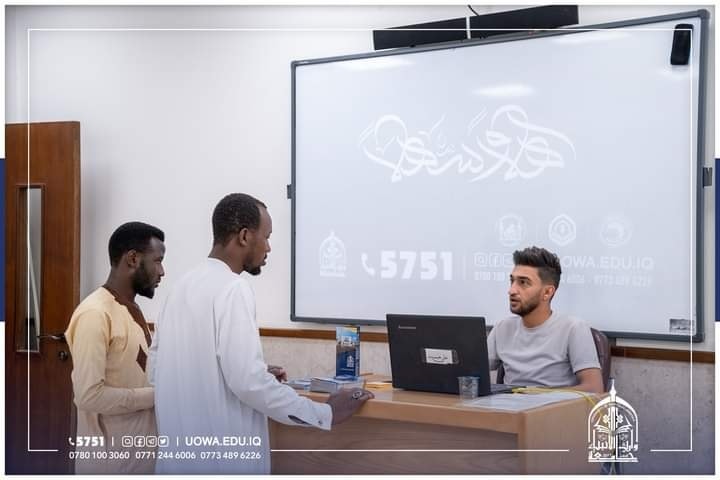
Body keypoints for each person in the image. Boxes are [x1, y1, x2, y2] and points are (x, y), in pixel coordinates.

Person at [148, 193, 373, 474]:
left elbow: (157, 370)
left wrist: (236, 371)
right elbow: (248, 382)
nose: (268, 247)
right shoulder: (233, 288)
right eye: (266, 237)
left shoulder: (178, 289)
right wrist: (324, 413)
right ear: (244, 236)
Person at [65, 221, 165, 474]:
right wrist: (157, 396)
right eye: (157, 261)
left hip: (139, 461)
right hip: (108, 466)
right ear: (133, 259)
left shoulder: (130, 308)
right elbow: (88, 396)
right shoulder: (95, 314)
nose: (162, 271)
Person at [487, 246, 603, 394]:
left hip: (554, 407)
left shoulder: (573, 328)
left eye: (523, 282)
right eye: (512, 281)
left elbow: (594, 388)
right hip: (508, 406)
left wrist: (537, 396)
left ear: (547, 292)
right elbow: (471, 372)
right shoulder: (502, 327)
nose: (512, 290)